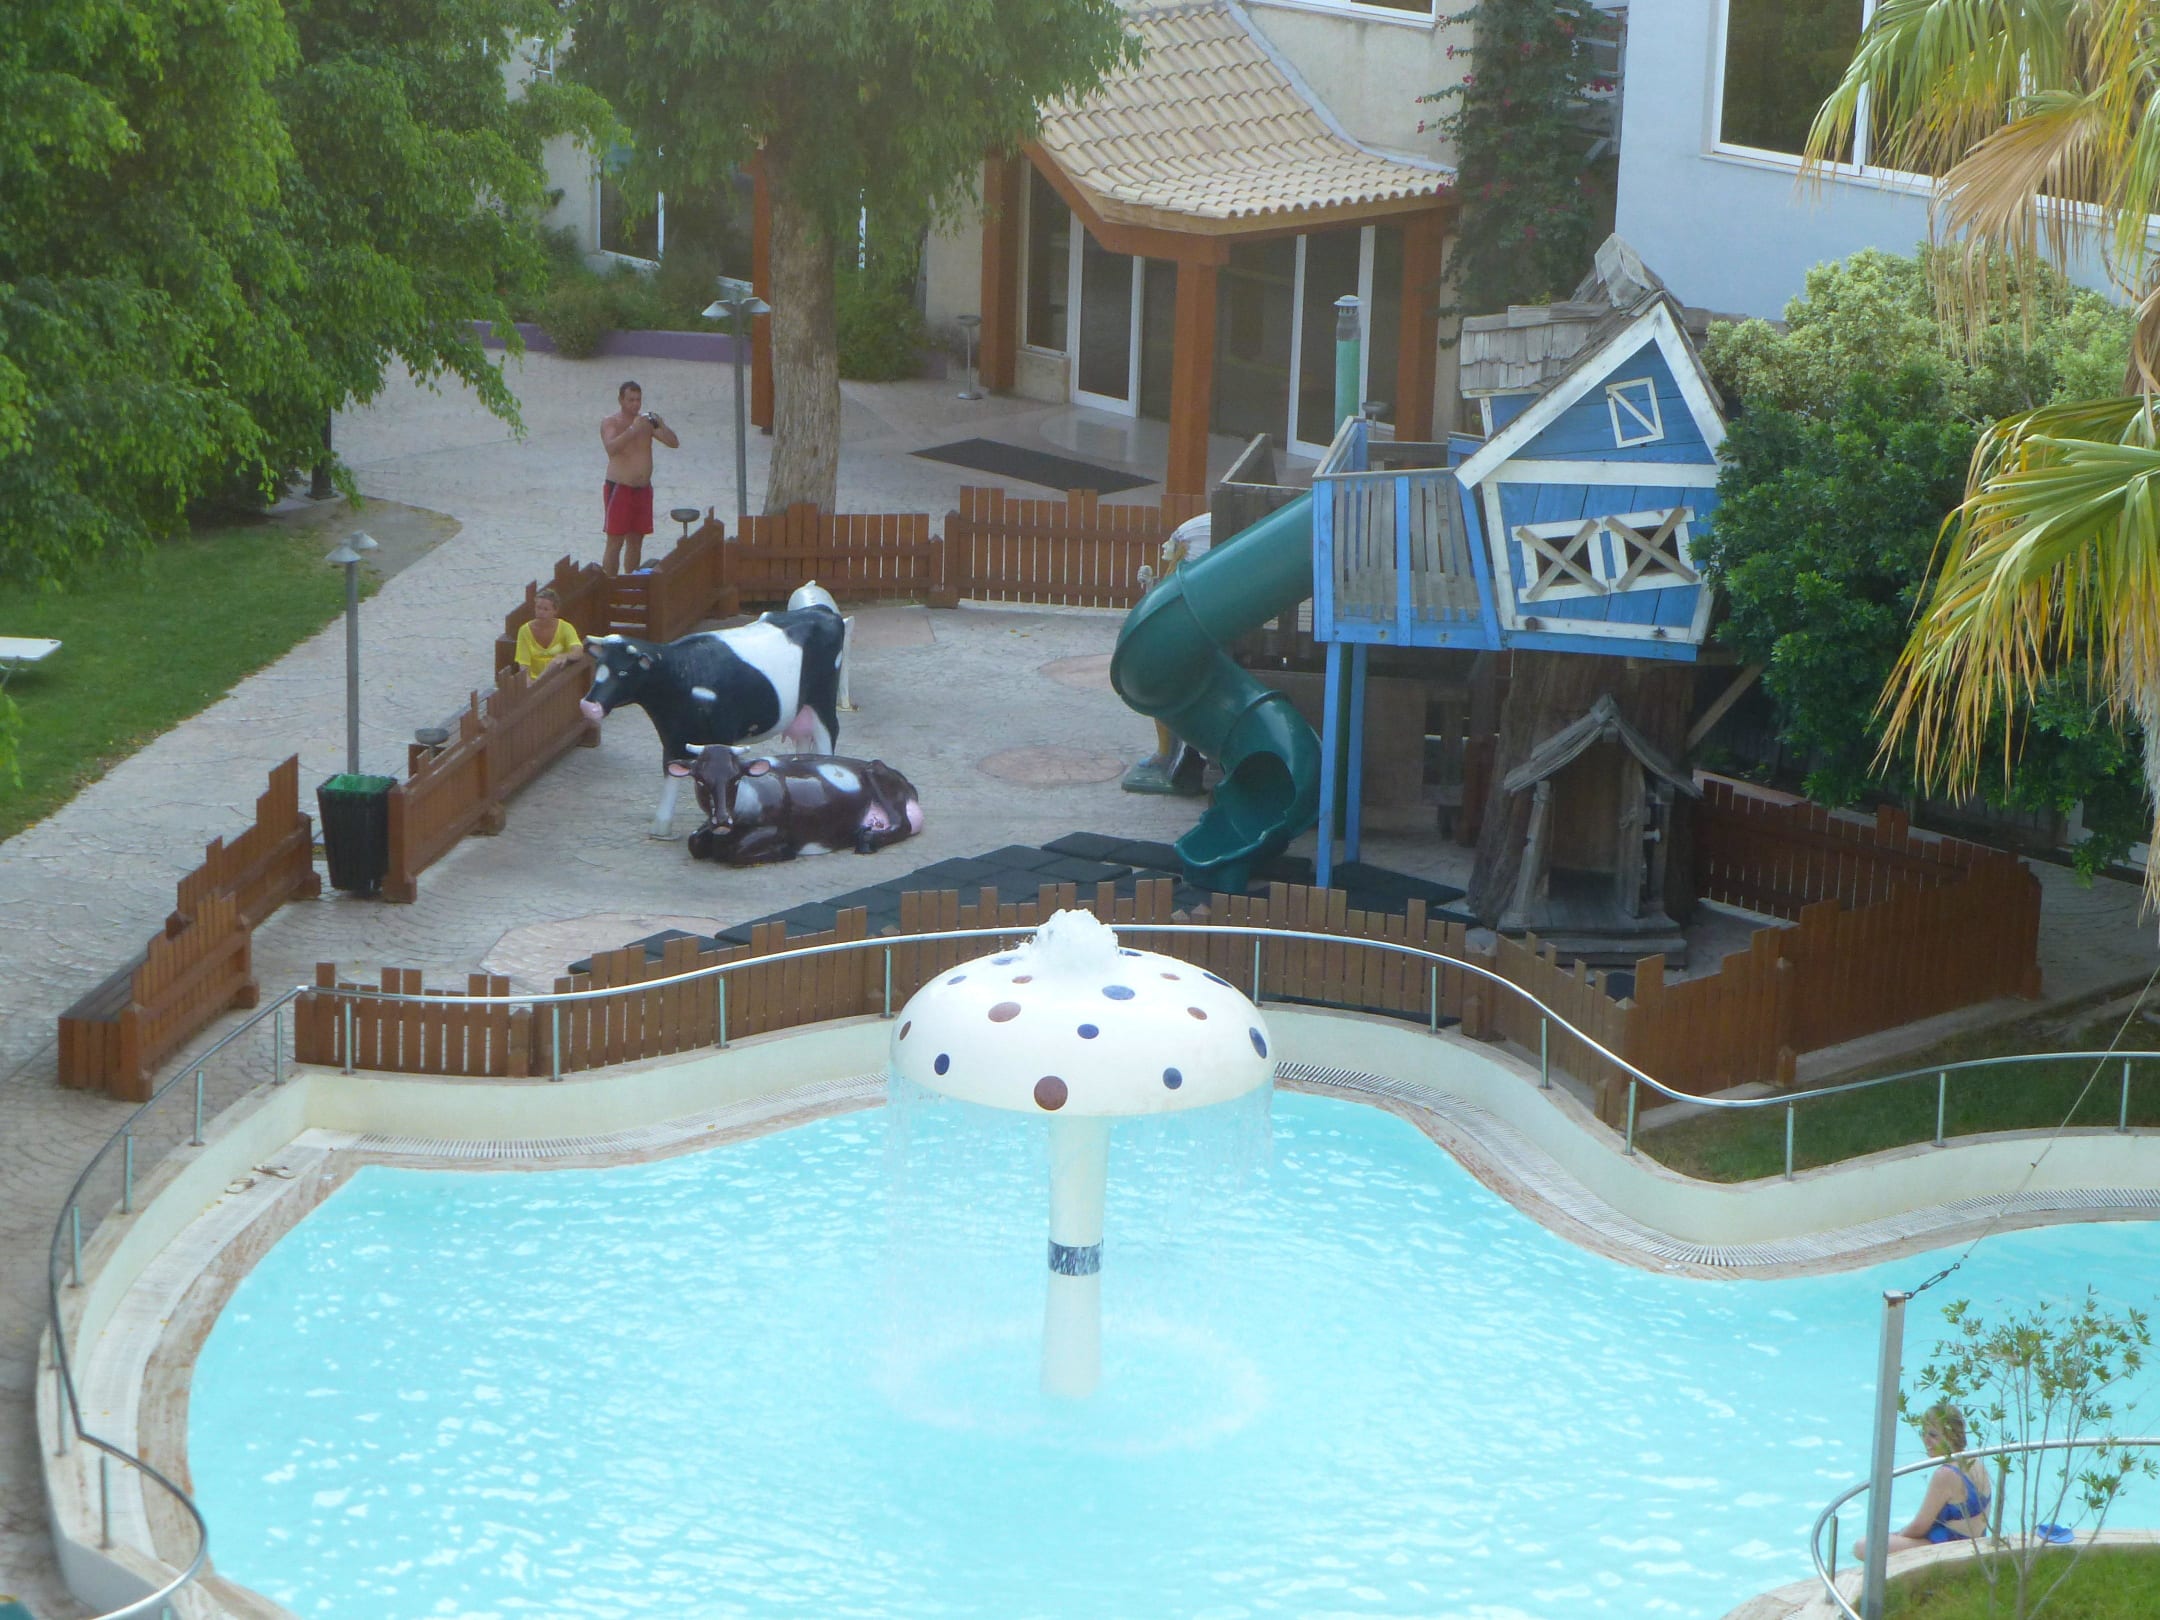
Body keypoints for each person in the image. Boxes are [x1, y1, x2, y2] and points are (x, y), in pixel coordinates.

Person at [1853, 1402, 1992, 1562]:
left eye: (1933, 1435)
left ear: (1951, 1436)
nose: (1926, 1441)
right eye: (1923, 1433)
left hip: (1949, 1547)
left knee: (1863, 1546)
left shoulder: (1945, 1474)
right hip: (1969, 1541)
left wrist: (1898, 1536)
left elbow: (1919, 1527)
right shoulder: (1974, 1462)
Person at [599, 379, 679, 574]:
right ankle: (609, 584)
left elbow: (673, 443)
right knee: (615, 541)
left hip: (642, 489)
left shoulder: (646, 423)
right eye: (631, 400)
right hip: (620, 487)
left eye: (638, 400)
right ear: (621, 400)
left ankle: (631, 582)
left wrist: (661, 424)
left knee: (636, 540)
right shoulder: (611, 422)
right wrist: (632, 430)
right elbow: (611, 448)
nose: (635, 404)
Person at [513, 587, 584, 680]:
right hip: (533, 681)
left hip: (558, 679)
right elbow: (523, 663)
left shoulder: (565, 627)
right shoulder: (524, 630)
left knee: (555, 662)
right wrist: (528, 682)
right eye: (538, 608)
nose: (541, 612)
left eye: (546, 609)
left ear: (555, 611)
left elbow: (578, 651)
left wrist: (565, 656)